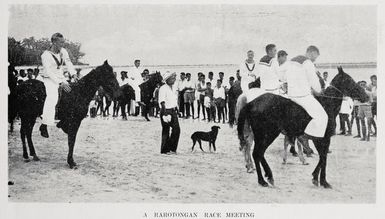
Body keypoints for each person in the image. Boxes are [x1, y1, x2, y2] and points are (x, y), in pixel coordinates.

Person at [286, 46, 327, 138]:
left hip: (291, 95)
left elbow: (284, 77)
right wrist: (319, 91)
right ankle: (305, 136)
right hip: (303, 96)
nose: (315, 59)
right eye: (315, 57)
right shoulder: (308, 62)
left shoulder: (291, 61)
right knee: (323, 117)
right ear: (312, 53)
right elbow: (314, 82)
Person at [39, 33, 75, 138]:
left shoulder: (63, 51)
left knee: (72, 95)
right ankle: (44, 124)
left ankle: (63, 121)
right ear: (54, 42)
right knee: (52, 97)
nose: (62, 44)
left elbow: (69, 63)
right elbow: (49, 72)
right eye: (60, 42)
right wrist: (60, 83)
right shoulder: (45, 55)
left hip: (61, 77)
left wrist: (73, 74)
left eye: (63, 42)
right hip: (49, 79)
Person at [159, 71, 180, 155]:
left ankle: (172, 149)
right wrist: (165, 114)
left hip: (173, 110)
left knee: (177, 129)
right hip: (165, 110)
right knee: (166, 130)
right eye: (172, 78)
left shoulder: (173, 88)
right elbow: (162, 101)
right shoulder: (163, 88)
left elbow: (174, 100)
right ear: (167, 80)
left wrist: (177, 109)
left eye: (174, 78)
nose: (174, 79)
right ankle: (164, 150)